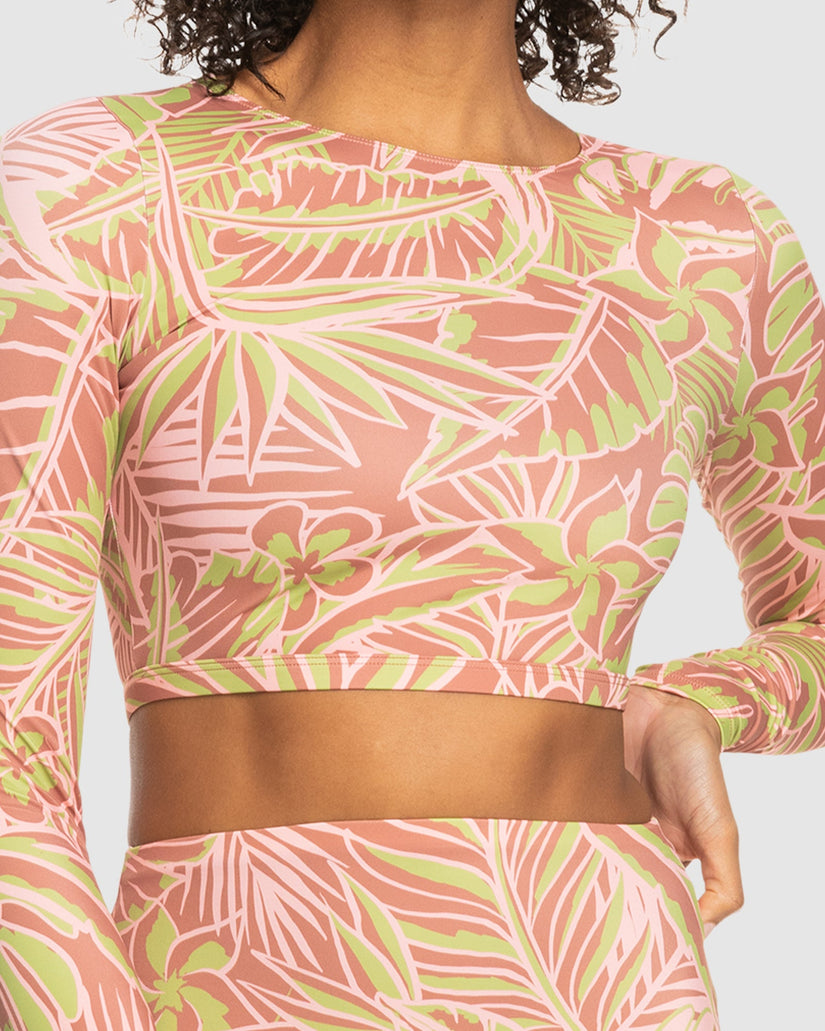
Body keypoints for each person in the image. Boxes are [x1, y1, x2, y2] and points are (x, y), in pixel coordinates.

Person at [1, 0, 823, 1027]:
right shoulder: (100, 184)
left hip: (609, 972)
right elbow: (12, 765)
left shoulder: (702, 237)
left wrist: (694, 701)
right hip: (240, 983)